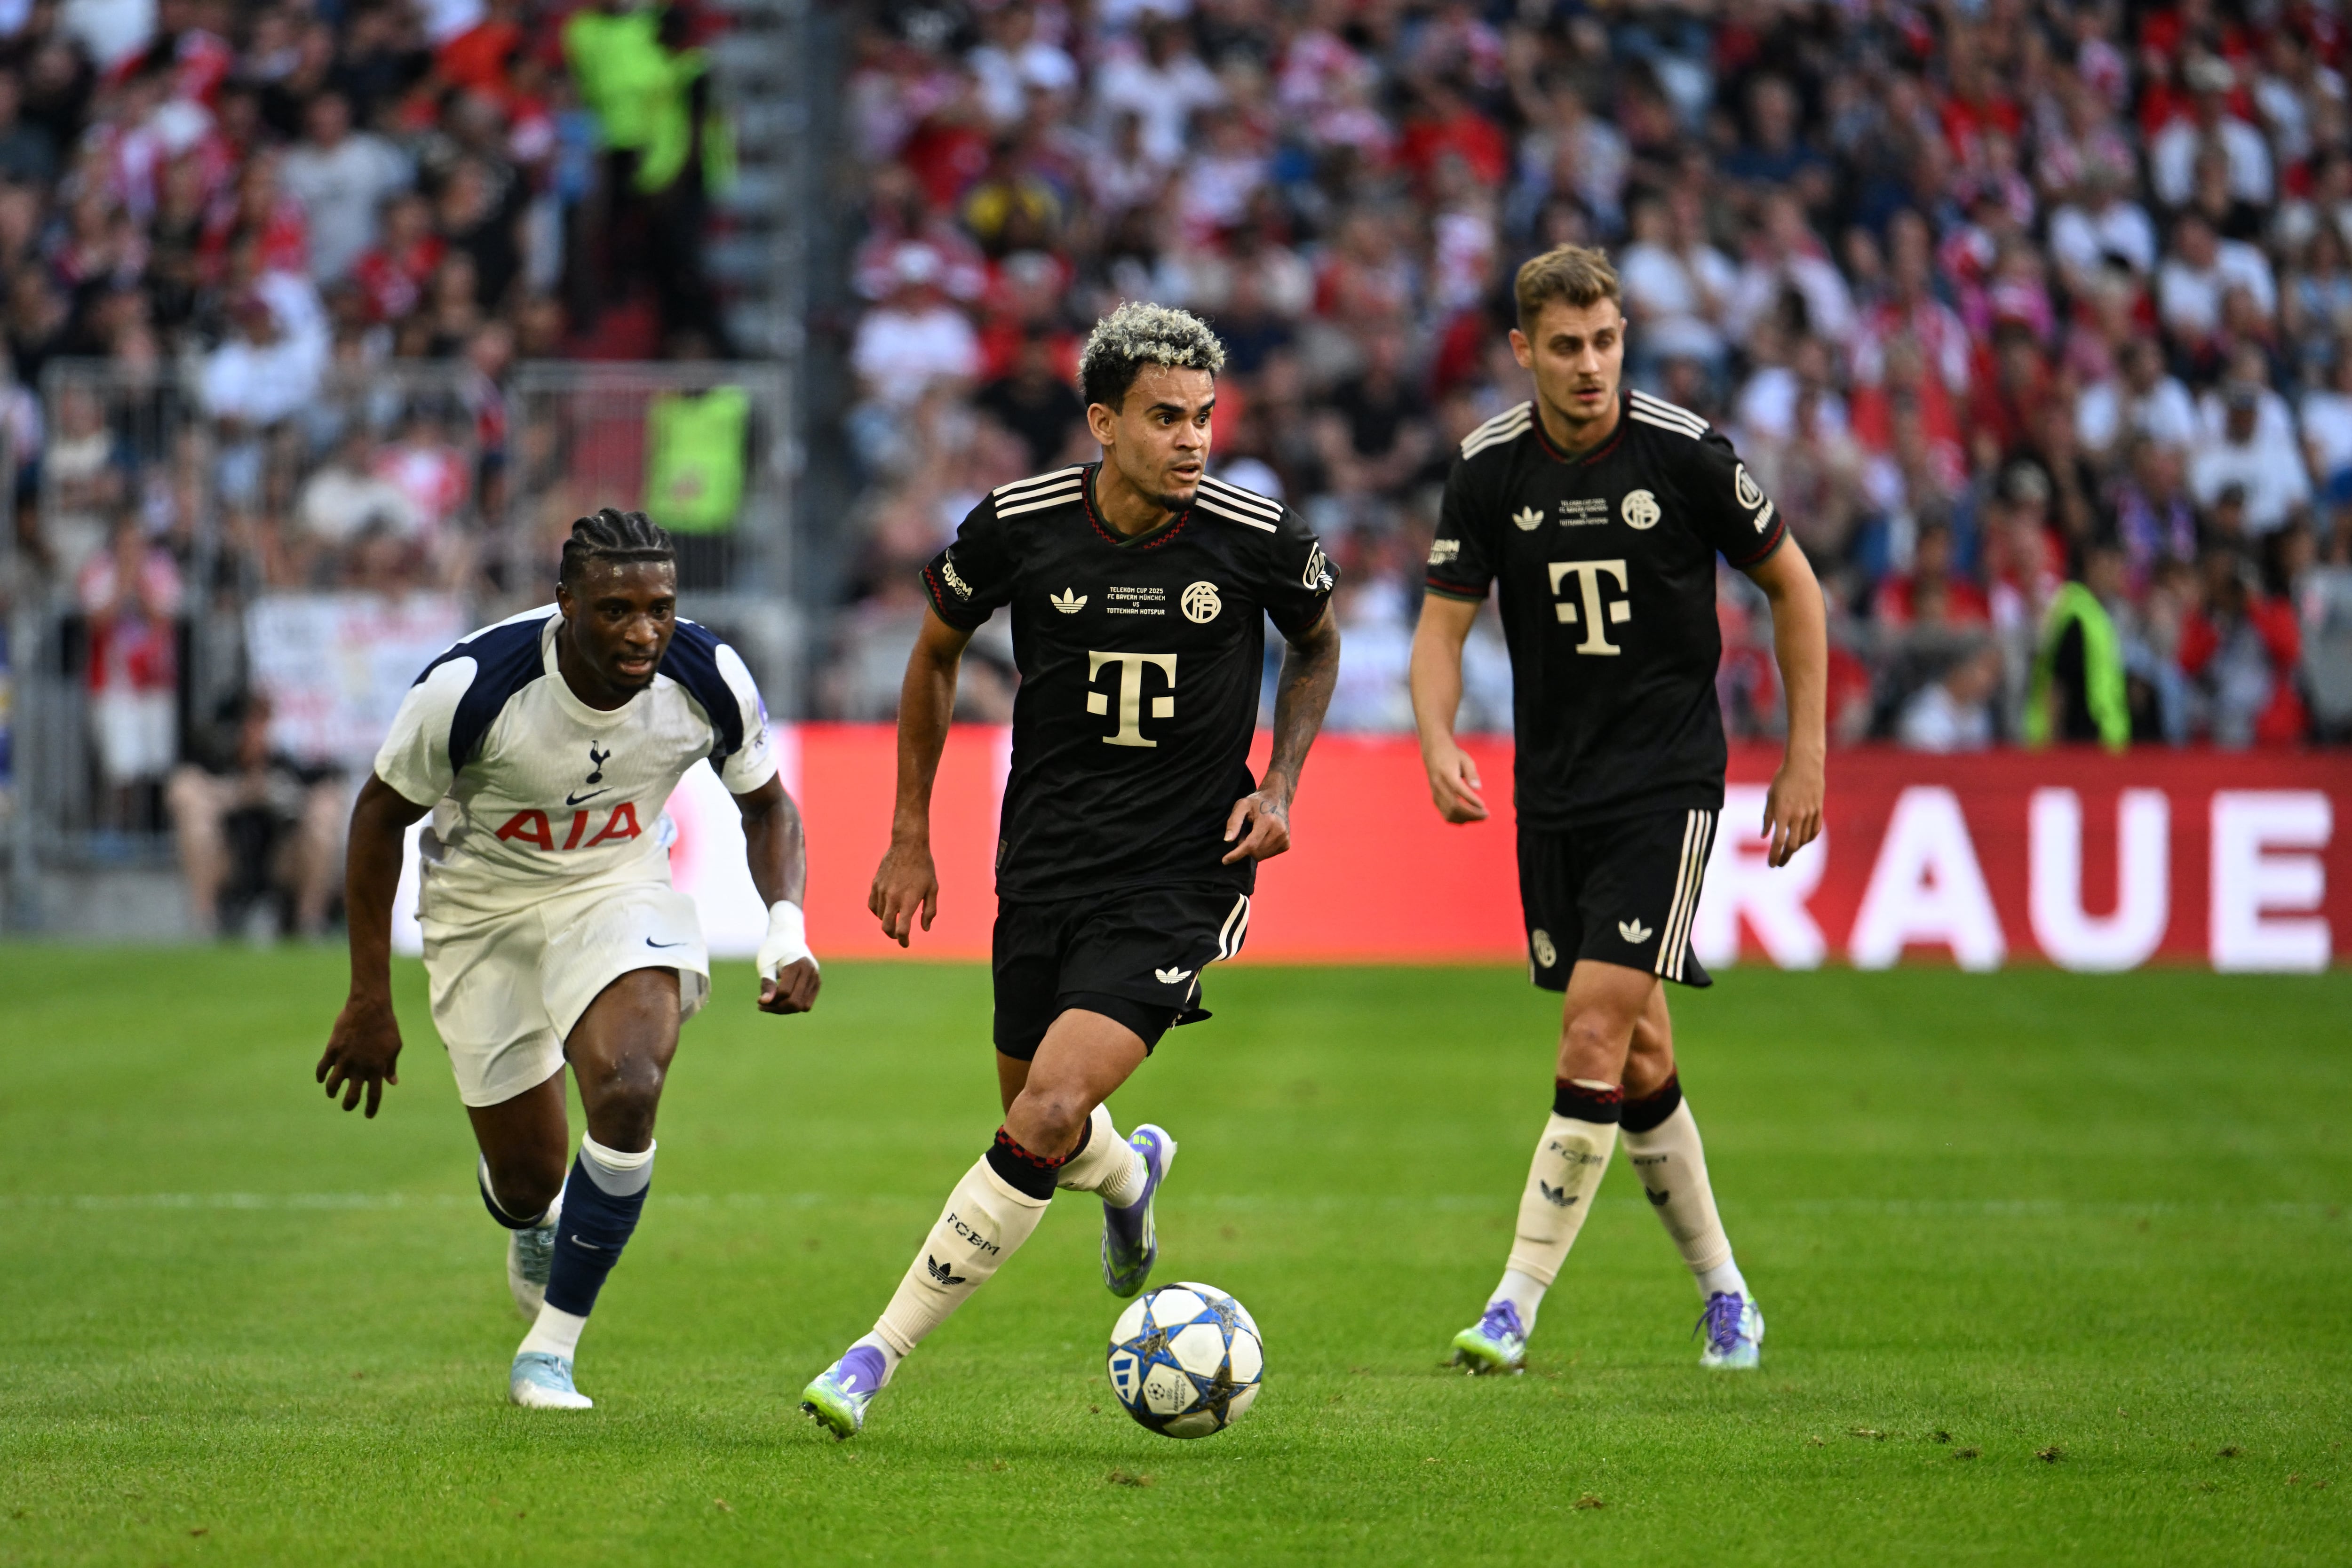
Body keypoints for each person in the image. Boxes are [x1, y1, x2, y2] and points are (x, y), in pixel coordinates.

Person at [798, 302, 1341, 1438]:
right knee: (1038, 1115)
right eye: (1164, 418)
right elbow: (936, 649)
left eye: (1202, 417)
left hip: (1184, 872)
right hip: (1042, 862)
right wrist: (909, 830)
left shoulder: (1255, 537)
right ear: (1102, 421)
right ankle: (1132, 1177)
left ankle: (872, 1352)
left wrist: (1280, 781)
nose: (1193, 439)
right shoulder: (1016, 526)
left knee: (1044, 1109)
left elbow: (1318, 639)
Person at [1408, 245, 1827, 1376]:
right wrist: (1440, 736)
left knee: (1591, 1029)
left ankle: (1512, 1303)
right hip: (1554, 791)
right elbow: (1441, 626)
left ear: (1622, 337)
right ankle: (1727, 1292)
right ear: (1523, 352)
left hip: (1666, 783)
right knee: (1638, 1054)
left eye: (1604, 341)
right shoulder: (1489, 470)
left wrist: (1805, 758)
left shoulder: (1685, 454)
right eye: (1564, 346)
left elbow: (1794, 585)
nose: (1588, 365)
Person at [314, 508, 822, 1411]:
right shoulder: (472, 687)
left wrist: (785, 923)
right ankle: (528, 1215)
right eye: (616, 610)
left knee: (630, 1086)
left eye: (659, 608)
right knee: (527, 1179)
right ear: (565, 605)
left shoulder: (708, 673)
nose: (642, 632)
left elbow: (769, 806)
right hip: (481, 907)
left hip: (617, 886)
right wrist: (367, 997)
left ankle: (550, 1350)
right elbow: (377, 819)